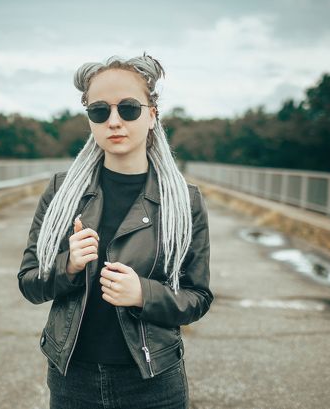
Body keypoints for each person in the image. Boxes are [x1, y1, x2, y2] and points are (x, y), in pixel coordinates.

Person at [17, 53, 213, 409]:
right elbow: (30, 283)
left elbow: (197, 297)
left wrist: (144, 294)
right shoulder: (63, 192)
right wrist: (69, 265)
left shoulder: (185, 201)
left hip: (154, 382)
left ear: (152, 115)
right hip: (72, 379)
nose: (114, 121)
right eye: (99, 111)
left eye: (128, 108)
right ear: (90, 119)